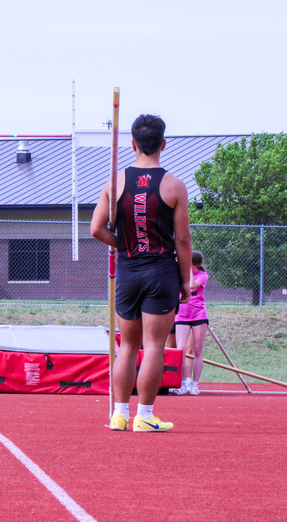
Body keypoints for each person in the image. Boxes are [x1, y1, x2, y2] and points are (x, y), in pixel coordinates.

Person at [90, 114, 192, 433]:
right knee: (154, 346)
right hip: (161, 271)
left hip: (128, 271)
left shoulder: (114, 182)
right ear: (163, 144)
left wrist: (121, 243)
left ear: (133, 144)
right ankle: (145, 415)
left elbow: (95, 229)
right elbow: (183, 239)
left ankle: (119, 414)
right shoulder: (174, 185)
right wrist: (186, 280)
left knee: (128, 347)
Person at [170, 251, 209, 396]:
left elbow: (192, 285)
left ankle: (195, 385)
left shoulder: (202, 276)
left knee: (197, 350)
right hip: (182, 314)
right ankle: (184, 383)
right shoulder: (179, 274)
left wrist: (187, 270)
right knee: (182, 349)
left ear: (196, 265)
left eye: (188, 263)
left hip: (198, 314)